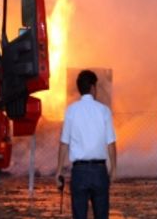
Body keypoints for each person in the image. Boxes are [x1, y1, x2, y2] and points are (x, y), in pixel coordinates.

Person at [55, 70, 117, 219]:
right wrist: (113, 168)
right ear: (92, 87)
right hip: (99, 172)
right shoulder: (104, 111)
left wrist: (59, 171)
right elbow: (111, 143)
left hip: (79, 173)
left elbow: (64, 144)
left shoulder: (71, 111)